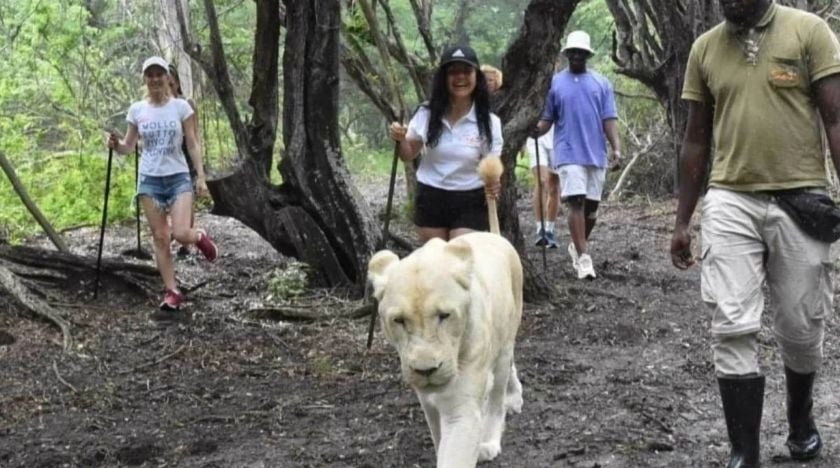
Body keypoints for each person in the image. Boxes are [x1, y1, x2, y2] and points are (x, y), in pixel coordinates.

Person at [670, 0, 840, 465]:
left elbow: (835, 119)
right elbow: (696, 138)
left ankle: (801, 419)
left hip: (802, 198)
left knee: (803, 326)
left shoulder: (810, 32)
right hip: (730, 199)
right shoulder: (705, 49)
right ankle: (743, 450)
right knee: (731, 323)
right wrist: (683, 219)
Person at [107, 56, 218, 315]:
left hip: (178, 176)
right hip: (149, 180)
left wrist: (200, 176)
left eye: (160, 74)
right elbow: (128, 146)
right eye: (150, 75)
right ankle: (172, 292)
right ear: (145, 79)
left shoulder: (181, 108)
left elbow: (191, 143)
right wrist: (116, 145)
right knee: (160, 237)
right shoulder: (137, 110)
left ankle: (198, 237)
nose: (155, 79)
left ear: (168, 78)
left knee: (181, 233)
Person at [388, 45, 503, 243]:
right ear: (443, 78)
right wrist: (400, 139)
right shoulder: (426, 114)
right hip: (431, 196)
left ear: (477, 77)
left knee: (459, 261)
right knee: (435, 265)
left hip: (470, 199)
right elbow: (407, 154)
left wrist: (494, 182)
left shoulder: (490, 122)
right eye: (453, 72)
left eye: (466, 71)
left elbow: (491, 166)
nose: (460, 77)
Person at [535, 30, 621, 279]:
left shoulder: (601, 83)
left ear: (587, 54)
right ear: (566, 53)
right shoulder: (555, 83)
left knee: (591, 209)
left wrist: (616, 147)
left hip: (595, 152)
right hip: (568, 151)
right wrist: (534, 129)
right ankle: (584, 258)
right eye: (572, 51)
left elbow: (609, 119)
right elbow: (547, 120)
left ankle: (577, 244)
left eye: (580, 52)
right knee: (576, 202)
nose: (576, 56)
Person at [167, 64, 201, 258]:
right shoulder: (155, 106)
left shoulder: (186, 104)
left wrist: (199, 168)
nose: (168, 88)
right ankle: (175, 232)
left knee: (186, 199)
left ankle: (186, 242)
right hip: (166, 158)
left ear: (177, 83)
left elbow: (194, 136)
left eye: (171, 83)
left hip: (185, 156)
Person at [524, 125, 560, 248]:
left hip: (558, 136)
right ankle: (541, 229)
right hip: (536, 136)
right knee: (542, 180)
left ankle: (550, 230)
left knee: (554, 185)